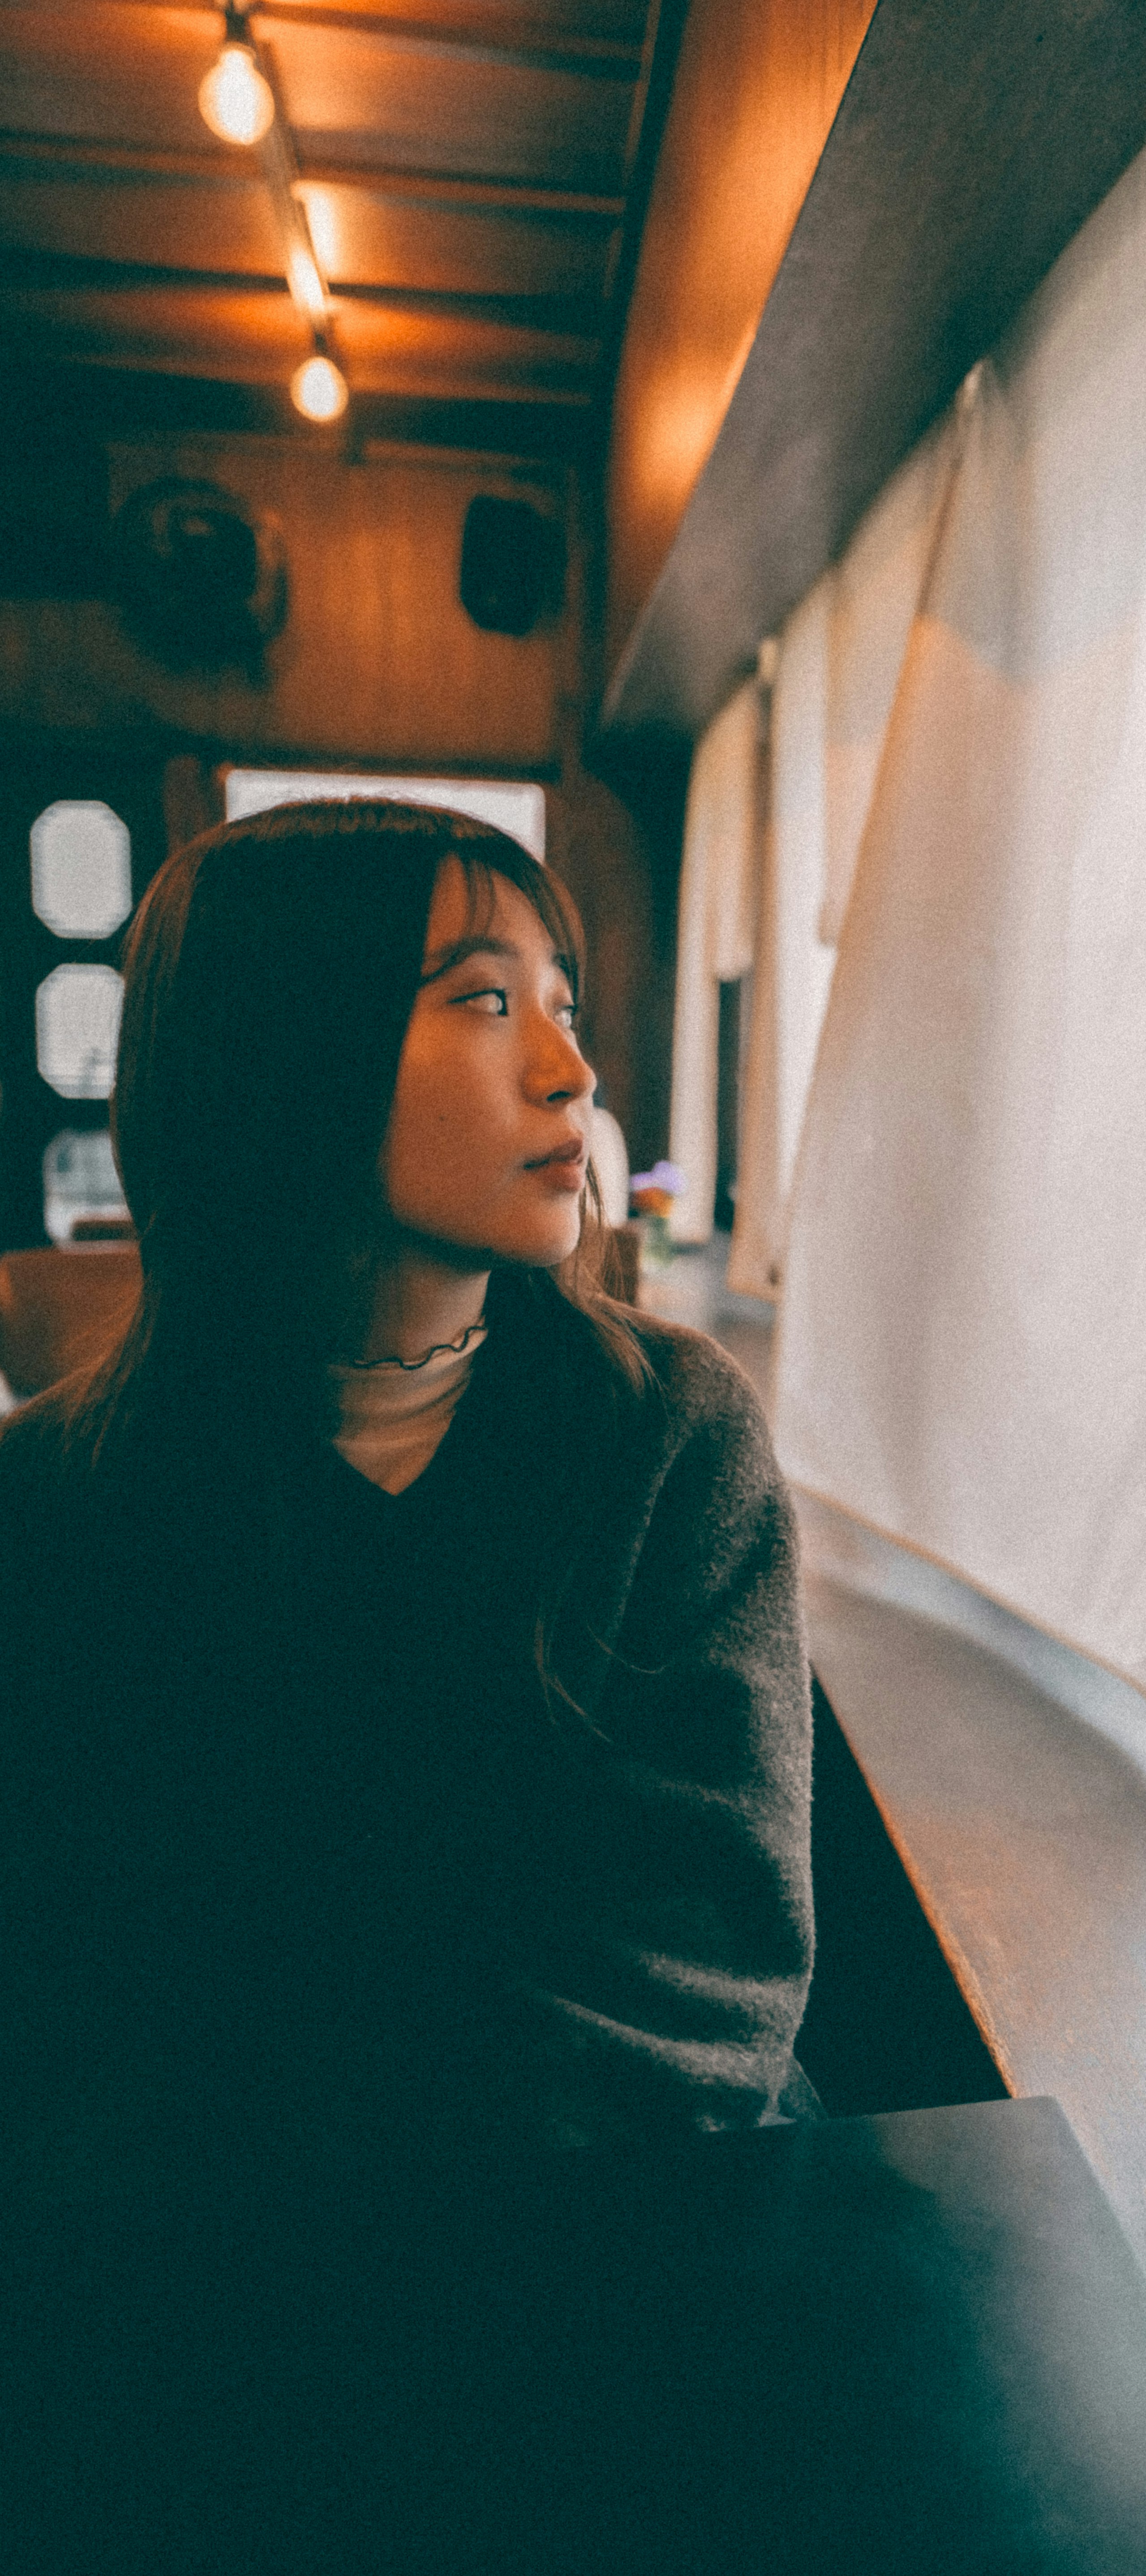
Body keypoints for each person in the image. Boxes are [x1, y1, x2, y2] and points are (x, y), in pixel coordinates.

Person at [0, 797, 816, 2202]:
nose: (571, 1073)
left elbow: (700, 1975)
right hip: (193, 2280)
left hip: (603, 2238)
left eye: (562, 1005)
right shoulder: (57, 1497)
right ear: (281, 1054)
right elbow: (69, 1995)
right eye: (488, 1001)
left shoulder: (671, 1441)